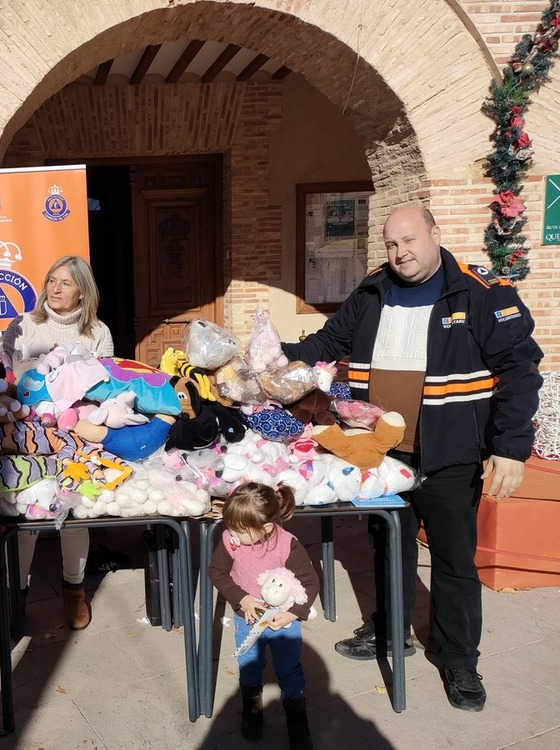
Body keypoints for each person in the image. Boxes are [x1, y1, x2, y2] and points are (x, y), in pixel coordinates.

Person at [282, 205, 543, 712]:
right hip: (381, 454)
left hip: (451, 455)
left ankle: (458, 658)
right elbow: (326, 344)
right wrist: (270, 356)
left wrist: (511, 448)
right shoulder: (373, 290)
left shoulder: (481, 293)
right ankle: (389, 629)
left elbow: (520, 369)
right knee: (389, 548)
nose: (400, 253)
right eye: (391, 244)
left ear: (435, 234)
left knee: (452, 560)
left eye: (409, 240)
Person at [0, 254, 113, 630]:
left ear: (83, 292)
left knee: (73, 510)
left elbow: (106, 385)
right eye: (52, 280)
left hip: (73, 432)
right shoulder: (25, 324)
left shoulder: (97, 332)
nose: (55, 288)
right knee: (25, 509)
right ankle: (18, 594)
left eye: (65, 283)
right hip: (25, 432)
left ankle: (74, 592)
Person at [208, 482, 319, 749]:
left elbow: (311, 581)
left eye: (239, 529)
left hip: (282, 622)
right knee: (249, 666)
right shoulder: (230, 542)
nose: (232, 534)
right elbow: (217, 572)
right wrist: (241, 598)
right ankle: (252, 712)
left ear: (266, 528)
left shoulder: (287, 546)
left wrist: (293, 614)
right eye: (230, 526)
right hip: (246, 619)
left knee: (289, 670)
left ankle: (297, 724)